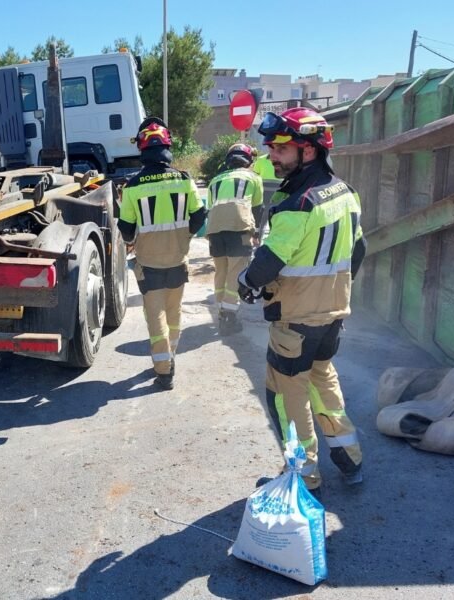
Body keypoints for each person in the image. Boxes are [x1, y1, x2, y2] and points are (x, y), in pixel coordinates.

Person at [237, 107, 367, 496]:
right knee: (323, 381)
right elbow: (359, 251)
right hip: (332, 316)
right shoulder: (345, 192)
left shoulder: (297, 204)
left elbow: (267, 264)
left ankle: (303, 476)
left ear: (308, 151)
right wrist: (333, 291)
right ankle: (351, 459)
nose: (272, 156)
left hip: (294, 320)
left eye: (280, 148)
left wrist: (245, 282)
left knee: (286, 397)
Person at [118, 117, 207, 390]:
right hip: (178, 260)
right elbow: (199, 214)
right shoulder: (184, 179)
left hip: (149, 263)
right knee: (174, 313)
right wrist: (186, 236)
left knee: (155, 317)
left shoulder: (132, 187)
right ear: (168, 147)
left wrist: (132, 241)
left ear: (142, 150)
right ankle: (171, 357)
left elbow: (127, 228)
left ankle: (164, 370)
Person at [205, 143, 263, 335]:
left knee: (221, 271)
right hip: (239, 228)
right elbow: (257, 209)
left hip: (214, 230)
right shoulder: (253, 178)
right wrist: (257, 235)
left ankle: (222, 311)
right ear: (248, 161)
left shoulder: (214, 180)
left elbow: (211, 207)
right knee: (236, 272)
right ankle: (229, 316)